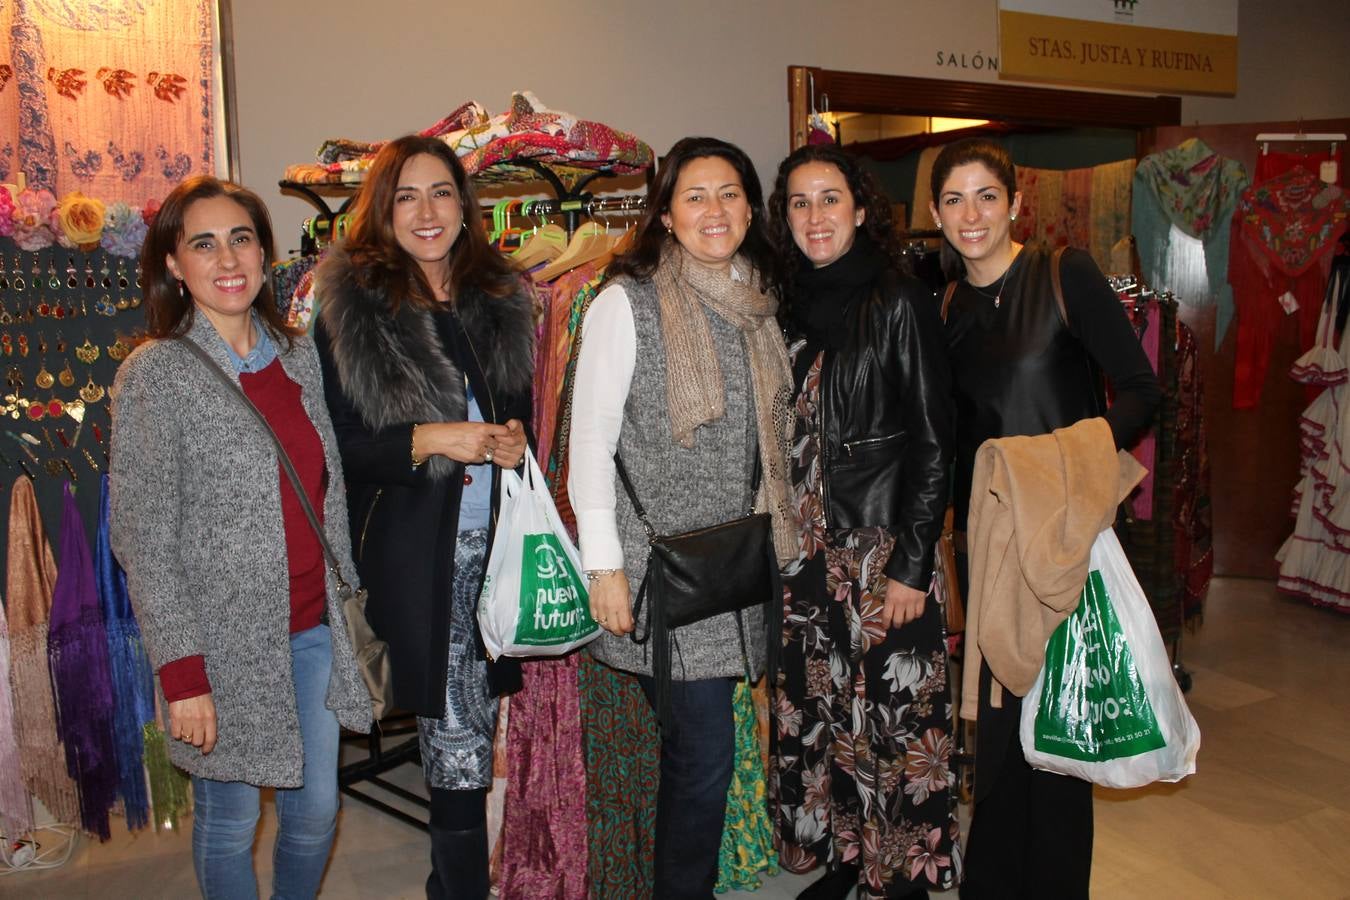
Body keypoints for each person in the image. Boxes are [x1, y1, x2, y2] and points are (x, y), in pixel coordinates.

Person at [109, 176, 373, 899]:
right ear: (173, 263)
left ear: (263, 252)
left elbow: (328, 489)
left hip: (313, 626)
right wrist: (183, 676)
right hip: (220, 644)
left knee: (316, 811)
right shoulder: (155, 374)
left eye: (241, 238)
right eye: (203, 243)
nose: (227, 258)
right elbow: (142, 537)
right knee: (229, 820)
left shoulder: (297, 357)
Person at [568, 136, 798, 899]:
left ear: (751, 207)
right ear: (665, 214)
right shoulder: (623, 304)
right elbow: (589, 445)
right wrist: (604, 569)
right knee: (704, 758)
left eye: (729, 192)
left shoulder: (759, 303)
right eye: (694, 195)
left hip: (735, 567)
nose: (714, 210)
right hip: (658, 570)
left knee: (701, 758)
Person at [930, 137, 1160, 899]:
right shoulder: (949, 306)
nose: (972, 214)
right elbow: (954, 436)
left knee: (1058, 734)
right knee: (997, 740)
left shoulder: (1064, 274)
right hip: (991, 548)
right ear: (934, 214)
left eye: (986, 196)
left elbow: (1139, 391)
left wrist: (1061, 473)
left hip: (1065, 538)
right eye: (954, 199)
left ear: (1015, 204)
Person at [312, 135, 533, 900]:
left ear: (465, 207)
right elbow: (335, 450)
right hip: (421, 558)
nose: (427, 211)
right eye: (406, 196)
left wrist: (510, 438)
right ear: (383, 210)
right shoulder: (354, 310)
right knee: (457, 743)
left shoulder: (499, 299)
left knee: (471, 737)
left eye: (441, 192)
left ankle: (457, 882)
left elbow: (521, 417)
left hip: (503, 549)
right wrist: (429, 439)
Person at [765, 144, 958, 900]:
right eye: (800, 203)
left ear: (860, 208)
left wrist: (914, 560)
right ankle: (848, 858)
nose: (816, 216)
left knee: (897, 722)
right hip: (807, 551)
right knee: (824, 712)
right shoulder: (781, 306)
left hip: (881, 548)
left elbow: (936, 442)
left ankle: (903, 871)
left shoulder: (898, 300)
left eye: (830, 199)